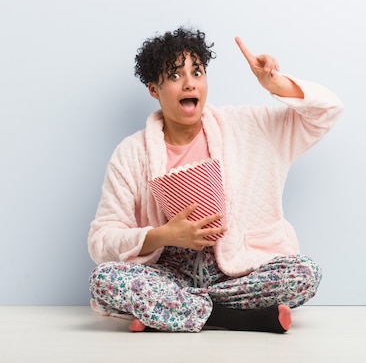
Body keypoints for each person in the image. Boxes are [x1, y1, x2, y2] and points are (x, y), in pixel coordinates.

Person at [88, 27, 343, 333]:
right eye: (174, 76)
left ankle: (170, 310)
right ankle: (231, 317)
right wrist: (163, 236)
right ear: (153, 89)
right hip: (169, 273)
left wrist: (276, 83)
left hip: (238, 268)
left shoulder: (247, 125)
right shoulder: (131, 153)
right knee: (104, 280)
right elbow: (101, 240)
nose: (189, 83)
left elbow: (328, 111)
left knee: (304, 274)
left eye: (197, 72)